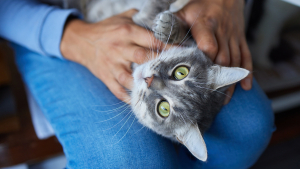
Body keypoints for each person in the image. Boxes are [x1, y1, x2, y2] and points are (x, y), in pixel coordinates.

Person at [0, 0, 275, 168]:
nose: (152, 81)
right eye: (178, 75)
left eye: (164, 108)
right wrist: (69, 36)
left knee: (250, 127)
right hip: (44, 15)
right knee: (130, 162)